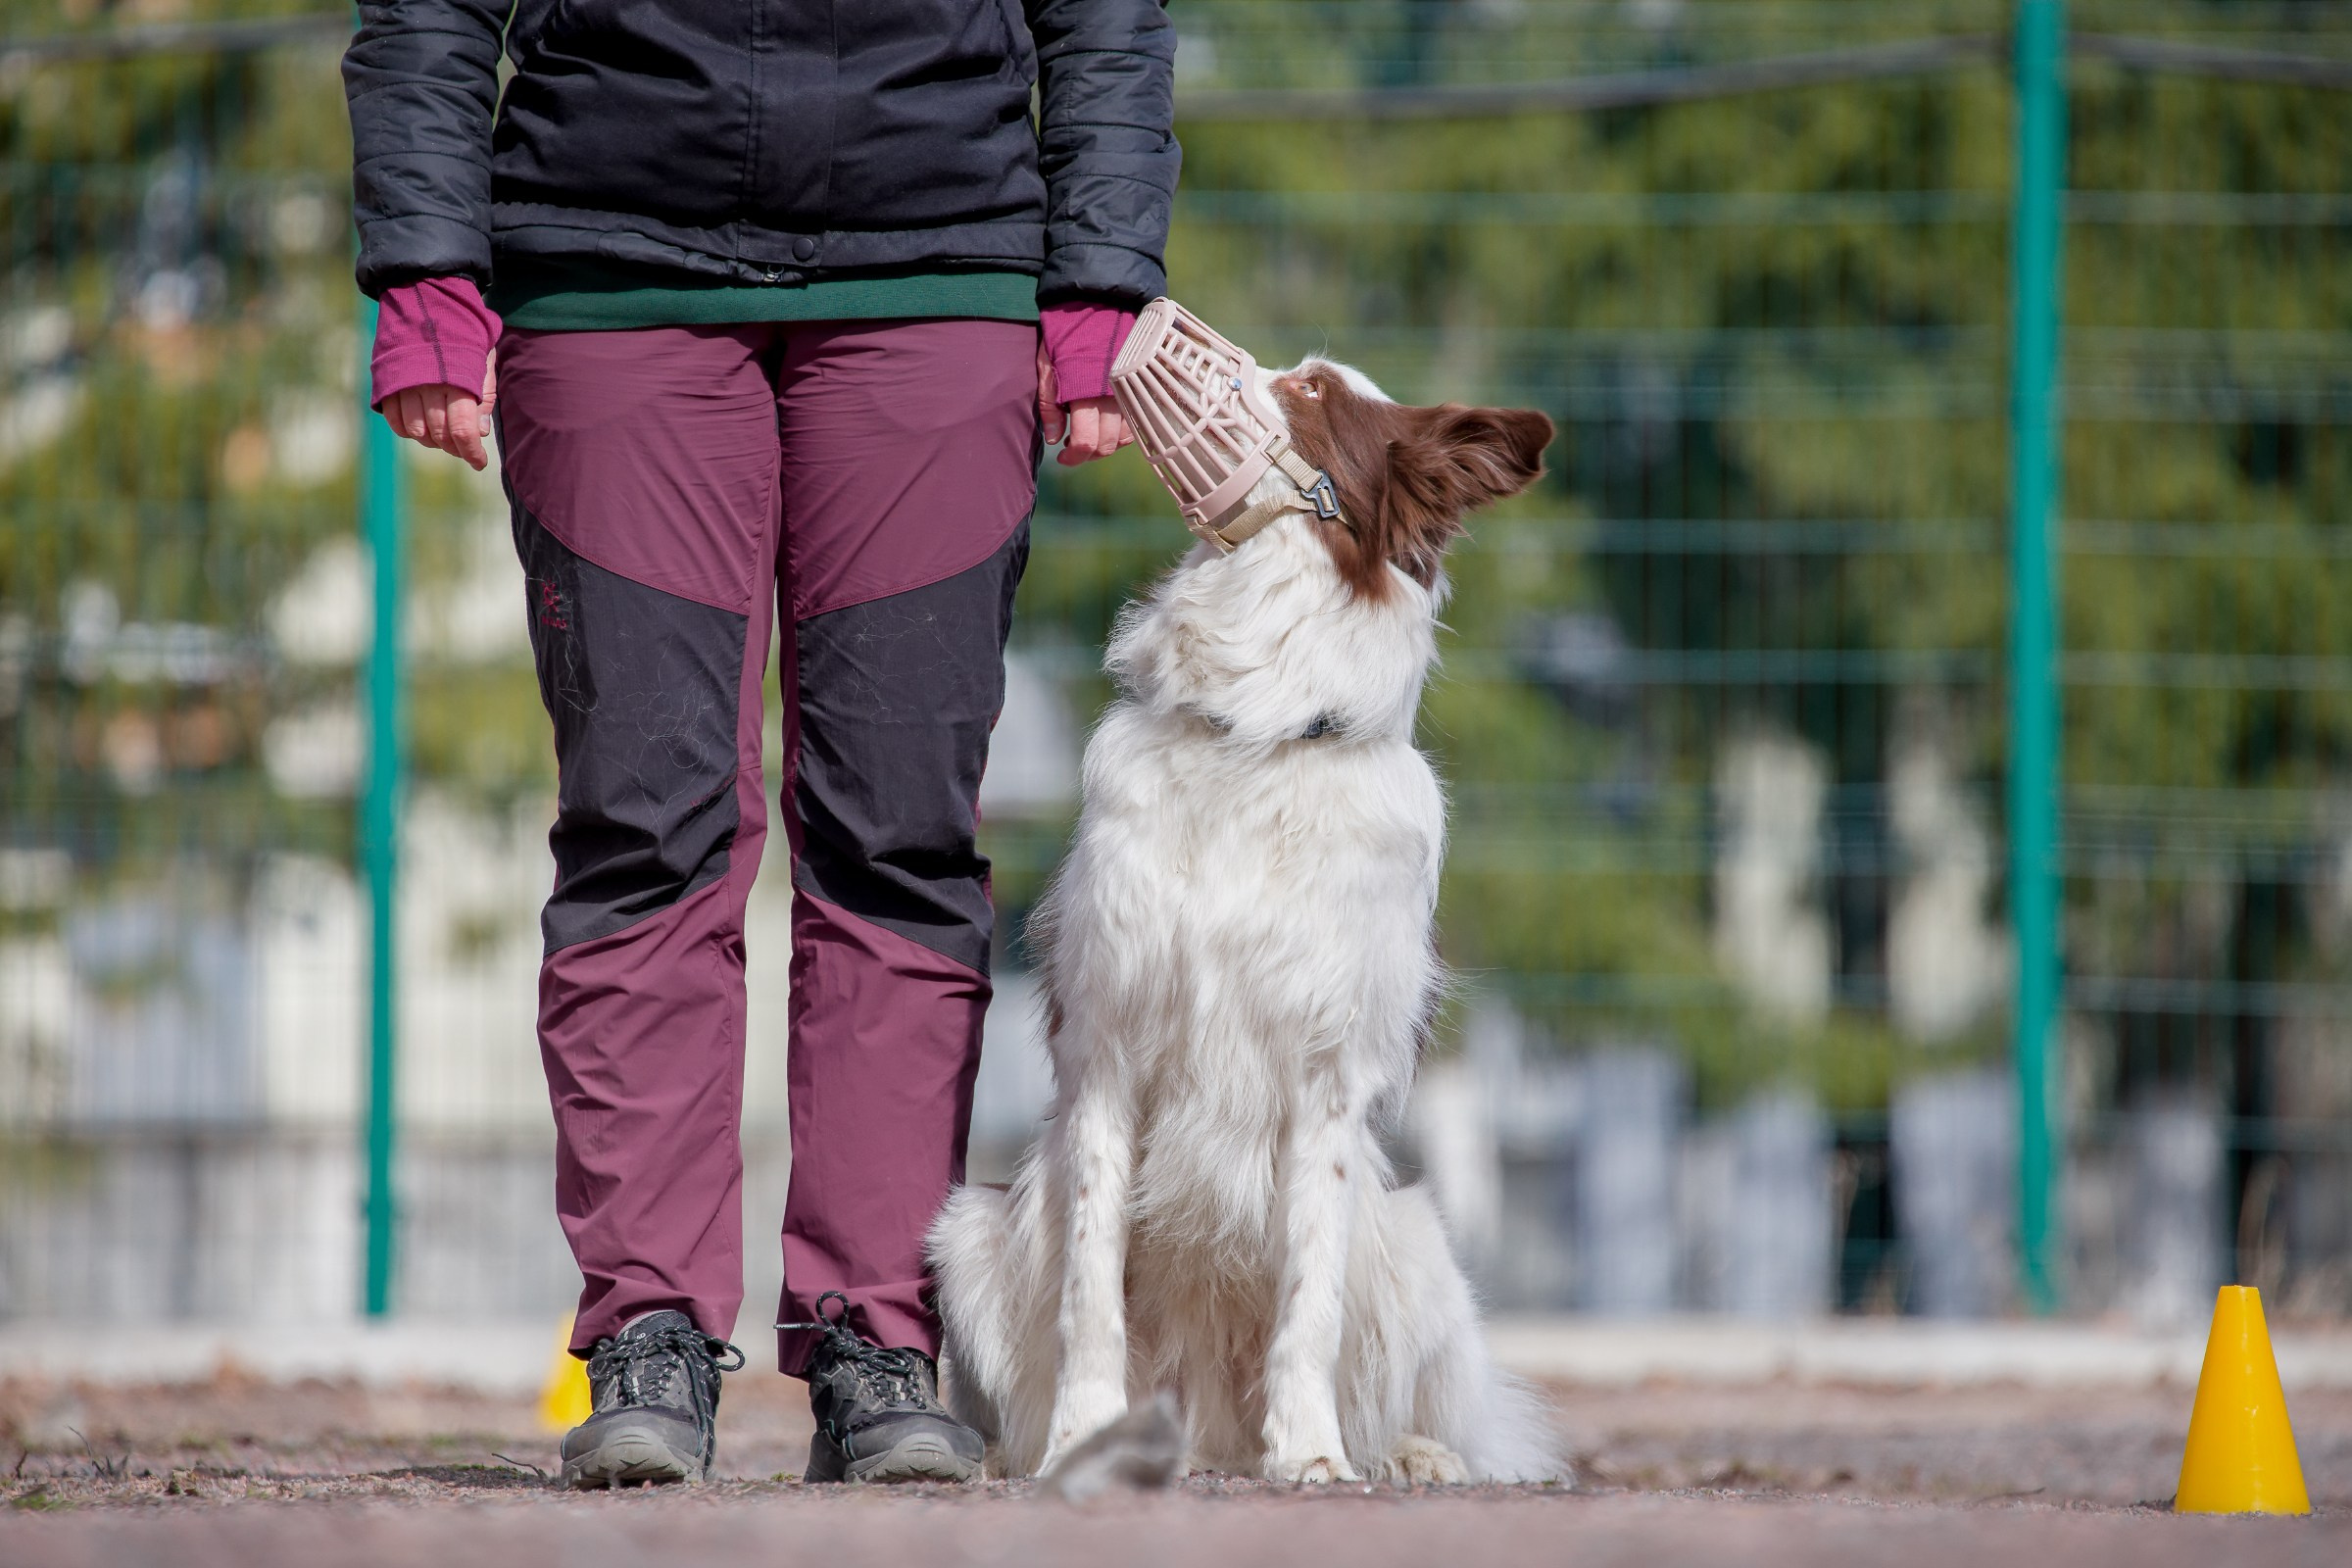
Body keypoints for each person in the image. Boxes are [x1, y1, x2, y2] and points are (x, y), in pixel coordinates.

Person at [342, 0, 1178, 1486]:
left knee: (899, 837)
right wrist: (425, 266)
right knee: (643, 824)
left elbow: (1106, 16)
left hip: (940, 278)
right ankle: (646, 1331)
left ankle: (878, 1337)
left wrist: (1102, 277)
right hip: (610, 275)